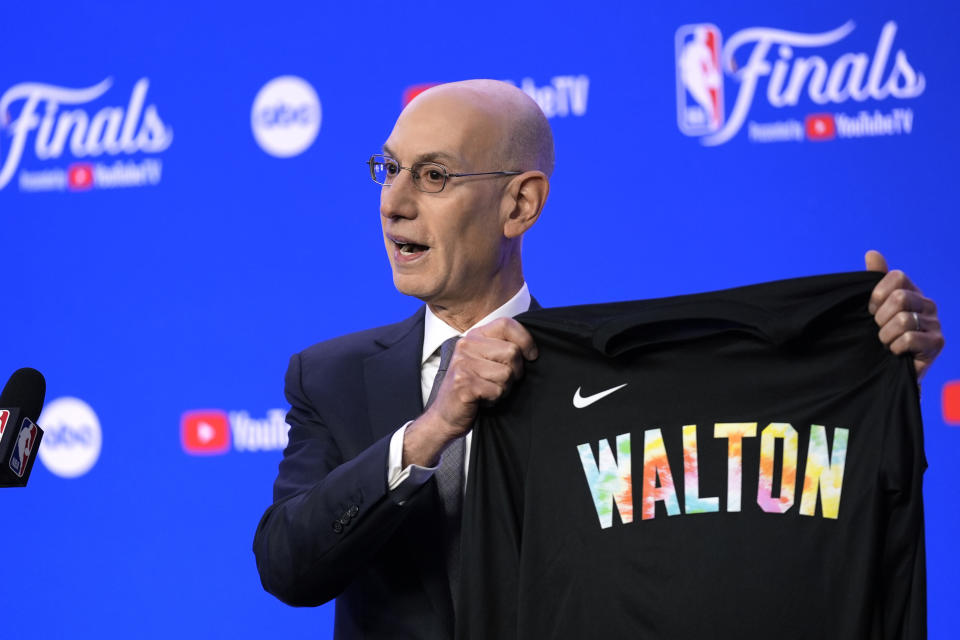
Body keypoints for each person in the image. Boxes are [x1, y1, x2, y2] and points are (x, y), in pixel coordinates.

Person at [253, 79, 945, 639]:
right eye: (390, 169)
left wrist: (866, 379)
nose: (393, 203)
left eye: (433, 176)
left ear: (520, 204)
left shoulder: (614, 381)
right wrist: (430, 430)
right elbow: (289, 567)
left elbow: (743, 513)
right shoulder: (330, 376)